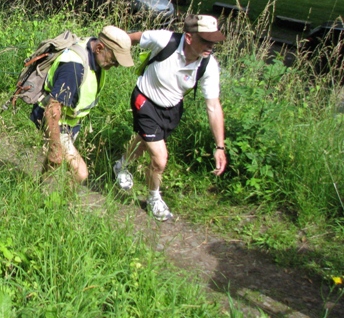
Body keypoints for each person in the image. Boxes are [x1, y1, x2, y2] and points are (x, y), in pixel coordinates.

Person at [114, 15, 227, 221]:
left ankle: (121, 165)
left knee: (142, 141)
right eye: (205, 40)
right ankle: (154, 198)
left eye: (213, 41)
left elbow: (213, 106)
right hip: (145, 100)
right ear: (189, 37)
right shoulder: (165, 40)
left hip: (172, 109)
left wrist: (220, 146)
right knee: (160, 159)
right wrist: (108, 49)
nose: (210, 46)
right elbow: (132, 38)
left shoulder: (208, 65)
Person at [30, 26, 134, 183]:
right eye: (114, 60)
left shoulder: (93, 51)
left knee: (55, 161)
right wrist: (55, 145)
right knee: (80, 173)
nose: (116, 65)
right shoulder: (73, 68)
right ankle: (64, 205)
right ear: (99, 48)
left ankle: (38, 188)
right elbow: (53, 109)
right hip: (56, 122)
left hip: (71, 122)